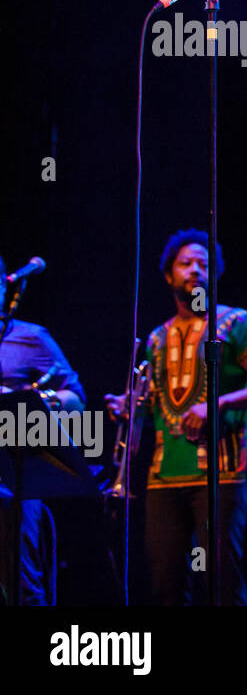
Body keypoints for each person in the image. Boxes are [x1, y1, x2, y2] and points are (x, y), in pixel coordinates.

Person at [106, 229, 247, 604]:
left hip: (222, 475)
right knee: (165, 586)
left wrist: (220, 404)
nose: (195, 271)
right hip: (163, 479)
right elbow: (153, 408)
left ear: (216, 274)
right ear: (168, 275)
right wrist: (128, 408)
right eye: (185, 263)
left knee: (220, 581)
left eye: (203, 265)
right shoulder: (157, 337)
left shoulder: (238, 323)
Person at [0, 254, 86, 605]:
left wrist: (25, 400)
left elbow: (76, 400)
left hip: (12, 477)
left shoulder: (30, 338)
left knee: (20, 582)